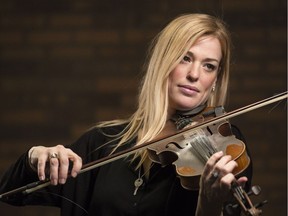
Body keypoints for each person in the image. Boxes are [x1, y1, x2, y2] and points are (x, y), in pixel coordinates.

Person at [0, 13, 253, 216]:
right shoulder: (102, 142)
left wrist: (209, 205)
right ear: (163, 62)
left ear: (216, 81)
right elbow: (10, 193)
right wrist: (35, 157)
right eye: (185, 58)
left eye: (209, 66)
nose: (195, 74)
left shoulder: (223, 145)